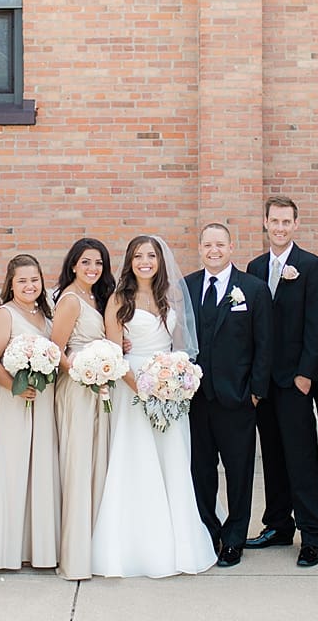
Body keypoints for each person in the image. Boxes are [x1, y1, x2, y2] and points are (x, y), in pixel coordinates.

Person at [91, 235, 217, 578]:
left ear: (160, 260)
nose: (145, 261)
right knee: (136, 461)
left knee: (172, 462)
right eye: (138, 255)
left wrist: (176, 381)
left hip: (170, 391)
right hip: (133, 391)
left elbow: (181, 348)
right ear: (129, 261)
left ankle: (178, 545)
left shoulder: (170, 295)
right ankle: (135, 547)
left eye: (151, 255)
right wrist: (146, 389)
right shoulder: (120, 299)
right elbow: (115, 353)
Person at [244, 197, 318, 567]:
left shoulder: (311, 266)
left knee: (302, 457)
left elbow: (317, 324)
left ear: (296, 224)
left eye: (286, 221)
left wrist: (306, 374)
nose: (279, 227)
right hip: (263, 383)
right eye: (273, 221)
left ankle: (312, 534)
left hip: (295, 381)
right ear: (264, 223)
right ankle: (278, 524)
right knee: (273, 456)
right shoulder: (255, 266)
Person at [185, 223, 273, 568]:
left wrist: (256, 392)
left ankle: (235, 537)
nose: (214, 250)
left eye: (220, 244)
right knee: (201, 471)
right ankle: (210, 531)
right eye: (208, 245)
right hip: (196, 399)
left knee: (239, 472)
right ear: (200, 248)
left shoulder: (253, 289)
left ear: (231, 247)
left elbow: (265, 344)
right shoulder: (186, 287)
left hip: (238, 399)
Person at [0, 254, 60, 570]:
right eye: (22, 280)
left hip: (42, 403)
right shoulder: (4, 314)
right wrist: (15, 387)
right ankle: (2, 548)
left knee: (38, 470)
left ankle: (35, 547)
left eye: (34, 279)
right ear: (11, 283)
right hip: (11, 402)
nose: (29, 285)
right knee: (10, 468)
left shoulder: (45, 314)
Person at [51, 238, 116, 581]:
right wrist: (83, 371)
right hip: (77, 391)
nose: (93, 269)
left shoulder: (97, 297)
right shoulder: (71, 300)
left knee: (97, 466)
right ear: (73, 264)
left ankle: (96, 546)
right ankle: (75, 556)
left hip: (99, 388)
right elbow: (56, 351)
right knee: (79, 466)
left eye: (99, 264)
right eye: (86, 262)